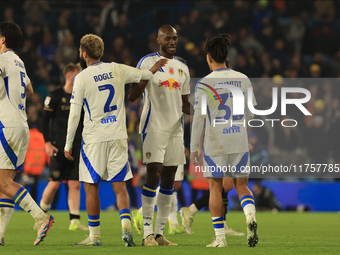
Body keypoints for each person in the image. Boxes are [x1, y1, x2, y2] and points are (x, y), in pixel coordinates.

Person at [64, 34, 167, 246]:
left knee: (91, 187)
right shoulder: (116, 68)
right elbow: (144, 74)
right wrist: (156, 66)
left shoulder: (81, 77)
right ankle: (126, 230)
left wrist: (67, 144)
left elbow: (74, 114)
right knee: (120, 187)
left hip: (94, 139)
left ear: (84, 53)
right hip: (118, 136)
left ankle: (94, 237)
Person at [190, 34, 258, 248]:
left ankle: (220, 239)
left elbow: (199, 120)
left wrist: (193, 147)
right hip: (239, 139)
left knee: (215, 187)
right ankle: (250, 217)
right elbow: (252, 113)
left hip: (215, 143)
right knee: (242, 185)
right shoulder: (243, 78)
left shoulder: (204, 84)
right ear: (227, 56)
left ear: (209, 58)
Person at [128, 24, 192, 246]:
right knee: (153, 173)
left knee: (170, 179)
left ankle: (158, 233)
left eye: (175, 38)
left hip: (176, 129)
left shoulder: (183, 66)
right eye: (168, 39)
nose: (172, 42)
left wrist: (204, 111)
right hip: (153, 126)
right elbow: (132, 96)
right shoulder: (146, 62)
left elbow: (185, 105)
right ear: (158, 40)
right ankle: (146, 233)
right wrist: (150, 72)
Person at [0, 21, 54, 246]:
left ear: (3, 39)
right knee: (5, 183)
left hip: (7, 125)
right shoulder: (19, 61)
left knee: (3, 183)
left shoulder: (1, 59)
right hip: (21, 125)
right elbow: (30, 89)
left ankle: (41, 218)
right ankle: (0, 234)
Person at [38, 63, 88, 231]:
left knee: (74, 184)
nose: (80, 77)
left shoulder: (81, 96)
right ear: (69, 76)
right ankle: (40, 217)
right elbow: (45, 121)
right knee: (54, 184)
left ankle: (74, 221)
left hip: (76, 147)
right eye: (77, 74)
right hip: (58, 147)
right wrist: (47, 142)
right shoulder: (55, 96)